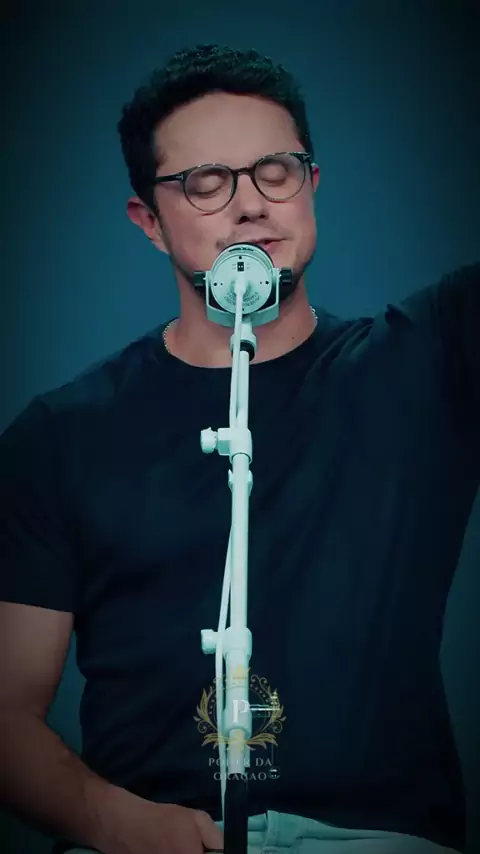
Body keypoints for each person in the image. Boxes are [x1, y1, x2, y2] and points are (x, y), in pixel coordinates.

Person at [0, 42, 478, 854]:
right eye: (206, 183)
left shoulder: (430, 360)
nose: (251, 204)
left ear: (312, 185)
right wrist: (115, 823)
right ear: (149, 222)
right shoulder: (58, 436)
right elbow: (6, 709)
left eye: (275, 171)